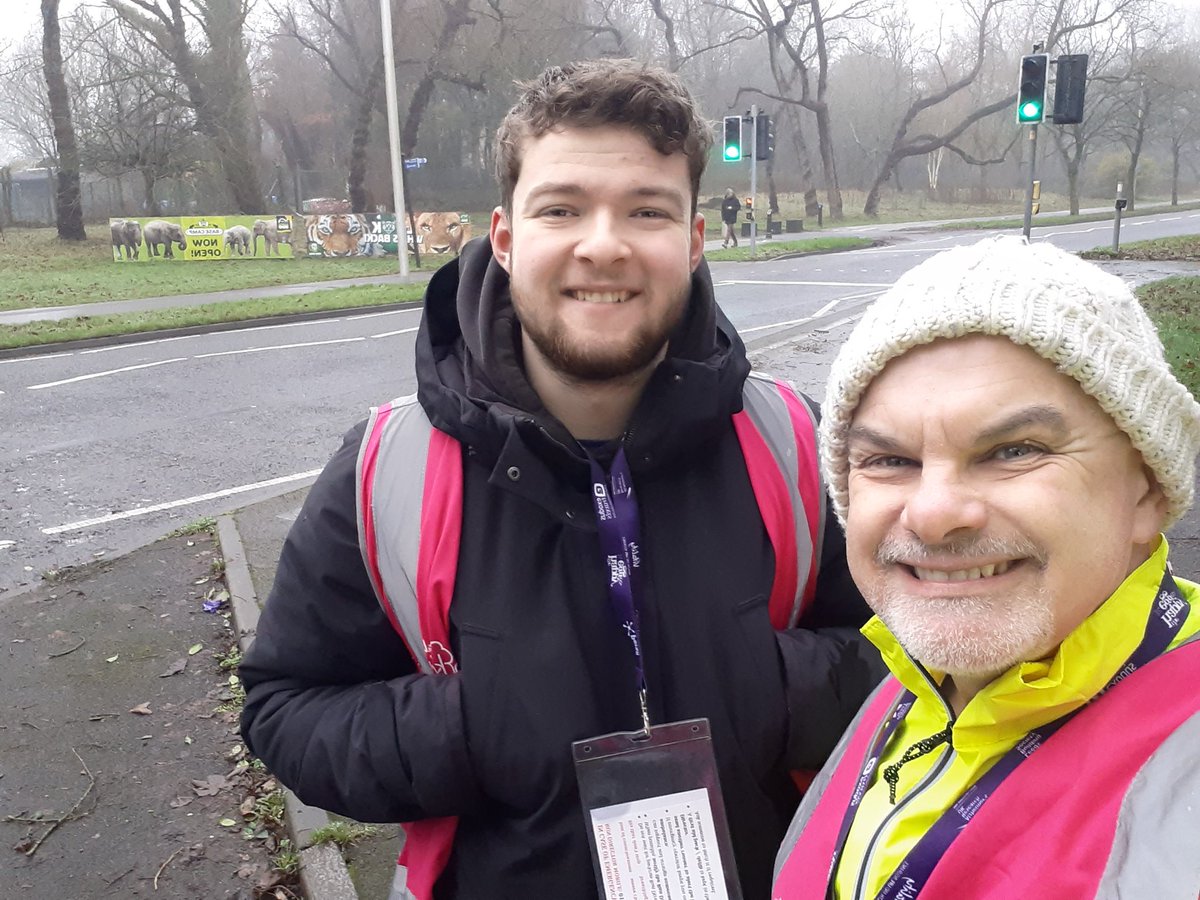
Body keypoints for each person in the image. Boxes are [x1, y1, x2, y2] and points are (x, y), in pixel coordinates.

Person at [239, 58, 884, 900]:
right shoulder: (388, 466)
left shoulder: (797, 445)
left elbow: (913, 652)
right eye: (562, 208)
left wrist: (767, 691)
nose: (604, 243)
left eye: (646, 210)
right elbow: (286, 704)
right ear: (506, 239)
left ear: (693, 241)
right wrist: (474, 727)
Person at [773, 235, 1200, 899]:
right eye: (889, 460)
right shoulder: (913, 679)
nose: (934, 513)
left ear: (1146, 488)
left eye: (1013, 450)